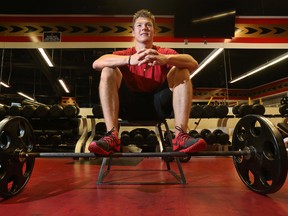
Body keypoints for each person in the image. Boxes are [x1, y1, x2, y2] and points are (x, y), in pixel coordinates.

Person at [88, 9, 207, 156]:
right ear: (133, 32)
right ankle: (112, 136)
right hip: (128, 108)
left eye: (148, 25)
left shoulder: (163, 53)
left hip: (158, 107)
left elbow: (193, 63)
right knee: (108, 70)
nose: (144, 28)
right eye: (139, 25)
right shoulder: (125, 54)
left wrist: (166, 59)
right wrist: (129, 60)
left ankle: (180, 136)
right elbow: (96, 64)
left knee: (182, 69)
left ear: (154, 31)